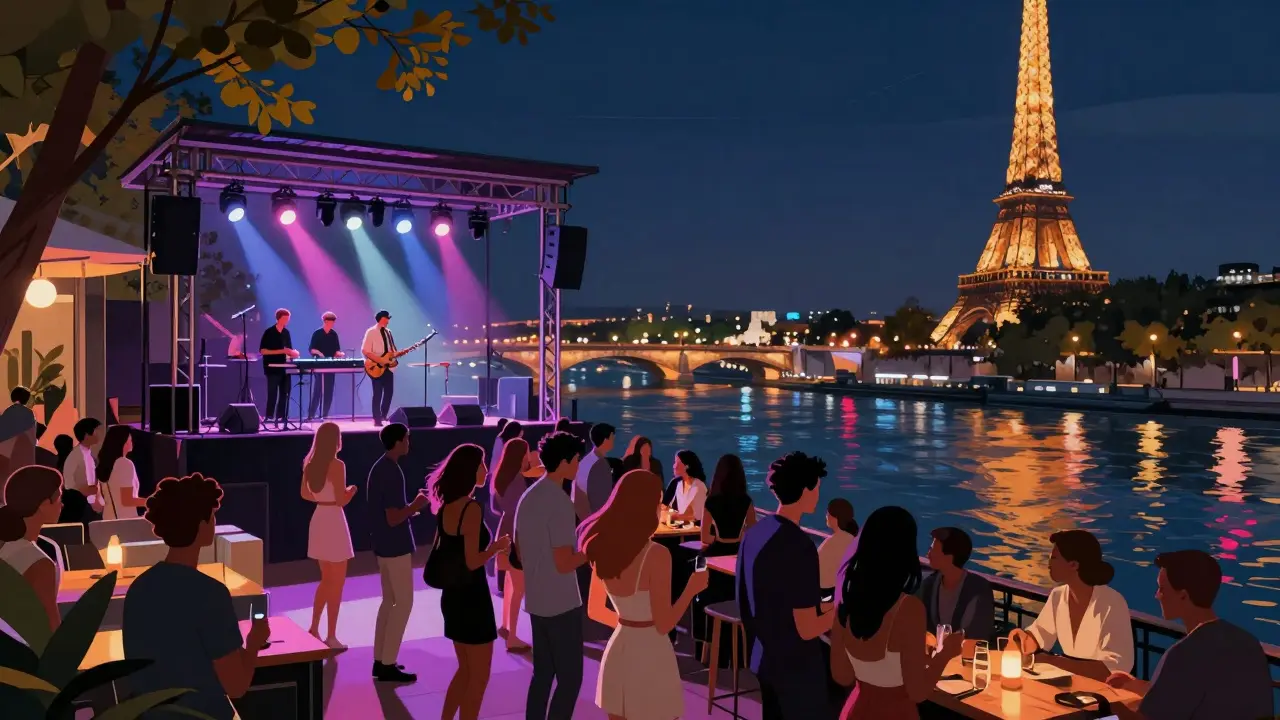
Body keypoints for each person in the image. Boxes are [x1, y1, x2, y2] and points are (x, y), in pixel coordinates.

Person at [123, 473, 271, 720]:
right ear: (202, 525)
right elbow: (236, 686)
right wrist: (254, 642)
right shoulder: (210, 594)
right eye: (212, 516)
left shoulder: (138, 588)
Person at [583, 469, 709, 720]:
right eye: (658, 502)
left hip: (618, 650)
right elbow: (664, 624)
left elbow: (595, 610)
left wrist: (629, 625)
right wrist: (691, 589)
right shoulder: (657, 555)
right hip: (652, 653)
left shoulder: (601, 548)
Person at [1105, 550, 1273, 720]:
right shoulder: (1247, 642)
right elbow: (1187, 692)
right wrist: (1134, 685)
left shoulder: (1184, 653)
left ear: (1183, 596)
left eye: (1162, 589)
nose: (1157, 596)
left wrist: (1109, 705)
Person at [830, 506, 963, 719]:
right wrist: (946, 653)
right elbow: (917, 692)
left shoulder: (846, 604)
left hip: (857, 710)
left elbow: (842, 675)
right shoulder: (908, 609)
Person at [737, 451, 836, 719]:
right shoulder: (800, 546)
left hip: (763, 658)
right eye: (816, 488)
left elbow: (746, 601)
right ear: (804, 491)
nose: (818, 495)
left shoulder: (755, 533)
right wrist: (836, 613)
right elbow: (806, 628)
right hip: (795, 668)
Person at [429, 443, 511, 720]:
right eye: (482, 464)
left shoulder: (446, 508)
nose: (486, 470)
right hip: (473, 598)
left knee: (465, 670)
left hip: (453, 597)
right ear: (470, 470)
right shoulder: (471, 509)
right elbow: (473, 561)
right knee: (479, 676)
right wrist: (496, 547)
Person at [515, 431, 588, 720]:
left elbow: (519, 549)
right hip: (562, 603)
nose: (578, 465)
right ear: (565, 462)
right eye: (576, 460)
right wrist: (590, 552)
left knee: (543, 674)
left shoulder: (528, 496)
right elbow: (564, 563)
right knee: (570, 679)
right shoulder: (559, 502)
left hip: (536, 600)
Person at [1007, 529, 1134, 681]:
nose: (1048, 564)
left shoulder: (1112, 602)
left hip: (1106, 688)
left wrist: (1051, 661)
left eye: (1054, 558)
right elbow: (1040, 634)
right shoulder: (1058, 595)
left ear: (1073, 565)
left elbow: (1114, 668)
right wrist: (1023, 639)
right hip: (1069, 682)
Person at [367, 422, 427, 682]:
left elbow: (389, 514)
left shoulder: (380, 468)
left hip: (383, 545)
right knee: (403, 603)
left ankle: (381, 660)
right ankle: (388, 662)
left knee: (389, 602)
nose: (409, 443)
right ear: (399, 441)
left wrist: (409, 509)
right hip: (395, 546)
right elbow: (393, 518)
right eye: (407, 439)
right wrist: (416, 504)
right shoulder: (391, 472)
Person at [302, 422, 356, 649]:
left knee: (326, 580)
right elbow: (341, 500)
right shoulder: (337, 465)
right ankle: (331, 635)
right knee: (337, 583)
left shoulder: (309, 464)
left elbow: (305, 494)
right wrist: (351, 491)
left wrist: (322, 497)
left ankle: (314, 627)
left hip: (319, 519)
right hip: (334, 519)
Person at [0, 465, 64, 630]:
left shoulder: (7, 548)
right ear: (43, 505)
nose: (62, 505)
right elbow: (50, 627)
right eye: (59, 499)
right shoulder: (40, 563)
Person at [491, 437, 538, 652]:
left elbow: (498, 507)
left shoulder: (502, 477)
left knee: (510, 582)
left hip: (504, 530)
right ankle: (513, 637)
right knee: (519, 587)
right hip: (516, 535)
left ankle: (505, 626)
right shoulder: (518, 481)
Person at [920, 526, 994, 644]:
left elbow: (978, 632)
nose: (928, 555)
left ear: (949, 557)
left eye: (933, 550)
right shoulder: (929, 583)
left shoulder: (978, 588)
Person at [700, 453, 756, 557]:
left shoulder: (711, 501)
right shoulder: (746, 500)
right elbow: (752, 531)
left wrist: (718, 539)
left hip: (717, 551)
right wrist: (740, 537)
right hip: (738, 551)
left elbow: (705, 537)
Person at [259, 308, 300, 427]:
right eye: (285, 318)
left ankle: (281, 416)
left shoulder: (286, 333)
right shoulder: (269, 332)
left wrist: (293, 353)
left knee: (285, 393)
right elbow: (263, 351)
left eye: (288, 319)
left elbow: (289, 349)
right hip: (272, 368)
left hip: (285, 367)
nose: (287, 321)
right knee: (272, 393)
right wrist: (281, 351)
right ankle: (269, 416)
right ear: (279, 319)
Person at [96, 425, 146, 521]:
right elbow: (127, 500)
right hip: (124, 521)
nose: (132, 441)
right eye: (130, 438)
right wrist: (150, 502)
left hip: (108, 519)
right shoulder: (124, 463)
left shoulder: (107, 464)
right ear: (123, 441)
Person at [60, 417, 103, 524]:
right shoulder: (74, 456)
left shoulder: (90, 455)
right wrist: (83, 491)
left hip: (92, 505)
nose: (98, 434)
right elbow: (68, 483)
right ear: (87, 434)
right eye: (96, 431)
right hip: (81, 507)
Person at [572, 422, 615, 521]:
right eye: (612, 438)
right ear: (605, 440)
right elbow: (581, 499)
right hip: (594, 519)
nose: (613, 441)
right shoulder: (595, 463)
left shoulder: (590, 460)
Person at [307, 311, 346, 420]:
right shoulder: (317, 333)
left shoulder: (334, 334)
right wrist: (320, 354)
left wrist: (339, 354)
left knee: (329, 390)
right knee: (318, 389)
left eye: (333, 322)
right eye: (330, 322)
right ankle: (311, 414)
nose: (332, 324)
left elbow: (336, 350)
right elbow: (312, 349)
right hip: (319, 365)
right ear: (325, 321)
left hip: (330, 365)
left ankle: (324, 414)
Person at [362, 310, 398, 426]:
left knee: (389, 392)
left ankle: (383, 415)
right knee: (377, 393)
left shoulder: (389, 332)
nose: (388, 321)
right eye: (387, 318)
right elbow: (365, 350)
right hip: (376, 367)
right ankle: (377, 419)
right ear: (382, 319)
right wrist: (380, 360)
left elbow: (392, 350)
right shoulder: (371, 332)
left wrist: (396, 354)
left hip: (388, 368)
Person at [819, 498, 858, 596]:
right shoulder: (852, 539)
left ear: (835, 517)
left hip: (826, 593)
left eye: (827, 513)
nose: (826, 516)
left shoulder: (833, 542)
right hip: (840, 591)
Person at [0, 386, 37, 486]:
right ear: (26, 399)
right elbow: (32, 436)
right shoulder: (29, 413)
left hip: (5, 453)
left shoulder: (6, 412)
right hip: (23, 451)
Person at [668, 449, 707, 523]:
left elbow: (696, 516)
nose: (674, 466)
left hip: (697, 528)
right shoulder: (678, 484)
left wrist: (672, 517)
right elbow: (669, 508)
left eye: (677, 463)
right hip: (683, 527)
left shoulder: (699, 487)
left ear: (686, 466)